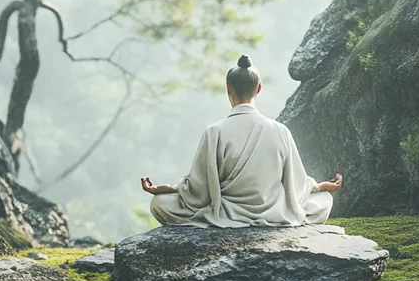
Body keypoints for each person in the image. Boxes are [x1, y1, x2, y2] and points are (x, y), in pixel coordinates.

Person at [140, 55, 343, 228]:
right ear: (259, 89)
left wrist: (168, 189)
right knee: (324, 201)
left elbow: (198, 191)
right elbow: (296, 184)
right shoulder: (280, 130)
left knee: (159, 203)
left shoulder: (214, 132)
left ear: (228, 89)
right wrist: (317, 187)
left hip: (226, 214)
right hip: (274, 212)